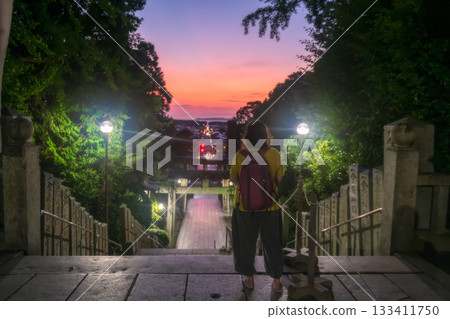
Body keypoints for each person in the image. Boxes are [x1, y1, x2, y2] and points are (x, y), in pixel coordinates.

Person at [230, 120, 285, 300]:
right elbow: (279, 177)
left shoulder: (240, 155)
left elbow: (234, 178)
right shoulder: (274, 154)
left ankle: (250, 280)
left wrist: (245, 188)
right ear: (265, 136)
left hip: (244, 207)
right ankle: (277, 282)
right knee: (273, 244)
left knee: (245, 244)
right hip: (270, 207)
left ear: (247, 137)